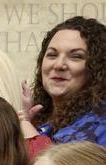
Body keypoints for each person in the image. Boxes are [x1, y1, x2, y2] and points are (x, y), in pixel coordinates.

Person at [30, 16, 106, 146]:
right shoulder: (35, 119)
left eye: (76, 56)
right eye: (52, 55)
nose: (59, 65)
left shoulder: (101, 127)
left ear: (97, 67)